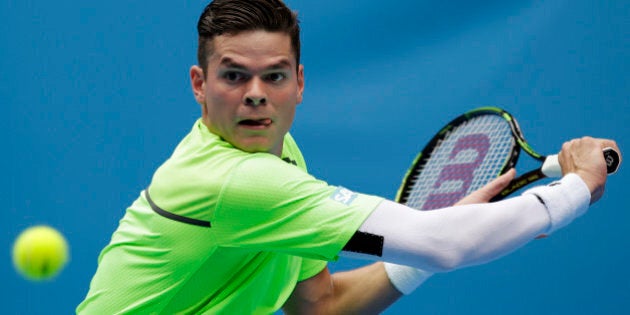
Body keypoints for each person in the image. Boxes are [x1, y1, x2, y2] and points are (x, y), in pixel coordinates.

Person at [76, 0, 620, 314]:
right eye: (234, 75)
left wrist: (430, 243)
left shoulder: (280, 154)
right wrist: (575, 188)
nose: (256, 94)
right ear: (200, 84)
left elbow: (321, 306)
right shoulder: (235, 179)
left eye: (274, 75)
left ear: (299, 82)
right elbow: (449, 246)